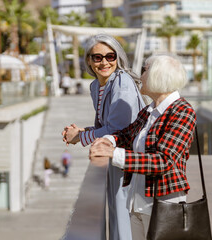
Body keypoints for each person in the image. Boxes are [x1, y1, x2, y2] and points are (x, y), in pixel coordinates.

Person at [89, 54, 196, 240]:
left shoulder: (182, 111)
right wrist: (108, 141)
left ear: (157, 75)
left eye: (144, 70)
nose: (139, 77)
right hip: (137, 203)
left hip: (163, 205)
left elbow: (163, 161)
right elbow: (126, 135)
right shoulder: (149, 111)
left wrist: (113, 154)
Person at [62, 33, 145, 240]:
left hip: (127, 161)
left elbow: (118, 128)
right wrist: (80, 133)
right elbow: (105, 126)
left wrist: (81, 137)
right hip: (114, 159)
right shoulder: (96, 86)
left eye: (110, 56)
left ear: (118, 57)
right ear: (89, 60)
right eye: (97, 57)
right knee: (117, 219)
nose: (105, 62)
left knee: (123, 221)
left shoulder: (122, 83)